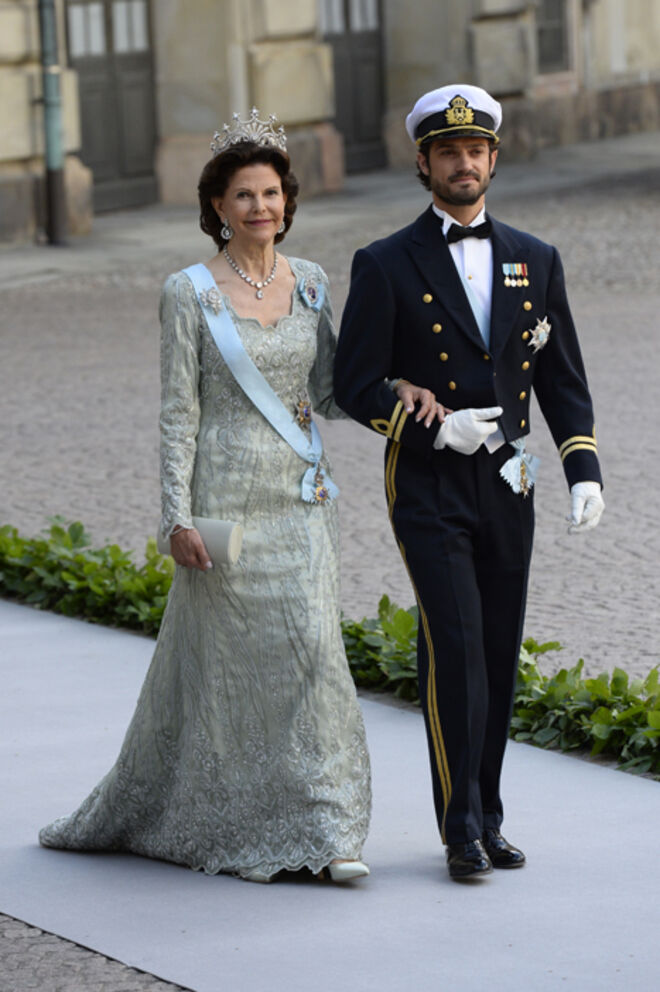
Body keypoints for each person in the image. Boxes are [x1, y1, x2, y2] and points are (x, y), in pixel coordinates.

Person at [39, 109, 371, 884]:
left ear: (288, 200)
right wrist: (174, 517)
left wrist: (408, 399)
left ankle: (326, 828)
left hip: (300, 496)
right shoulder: (186, 293)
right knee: (229, 673)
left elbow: (329, 393)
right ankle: (226, 818)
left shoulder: (315, 283)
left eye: (270, 193)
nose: (260, 208)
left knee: (315, 656)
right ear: (217, 207)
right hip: (222, 501)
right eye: (243, 196)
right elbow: (177, 410)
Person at [333, 84, 604, 881]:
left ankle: (489, 813)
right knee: (454, 648)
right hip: (426, 474)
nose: (463, 162)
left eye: (475, 150)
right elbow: (354, 383)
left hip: (508, 474)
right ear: (423, 163)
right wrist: (421, 418)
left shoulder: (535, 258)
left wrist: (581, 469)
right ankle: (460, 831)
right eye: (447, 151)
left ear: (493, 157)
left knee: (497, 646)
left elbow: (563, 381)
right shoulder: (384, 263)